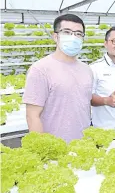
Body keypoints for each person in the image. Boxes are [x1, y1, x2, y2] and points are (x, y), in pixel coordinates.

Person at [23, 14, 93, 143]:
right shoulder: (40, 69)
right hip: (56, 149)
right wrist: (44, 149)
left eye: (78, 34)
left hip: (83, 145)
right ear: (56, 36)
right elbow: (32, 116)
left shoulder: (87, 70)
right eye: (67, 32)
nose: (73, 37)